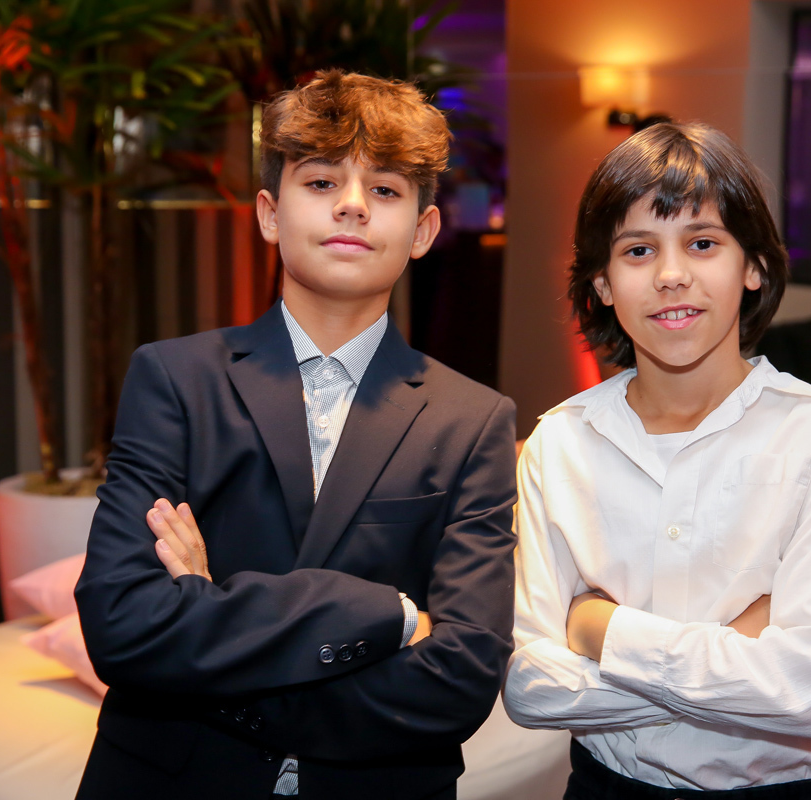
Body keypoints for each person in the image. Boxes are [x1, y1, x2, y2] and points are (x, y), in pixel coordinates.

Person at [74, 69, 518, 800]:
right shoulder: (175, 379)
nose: (352, 205)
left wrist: (207, 617)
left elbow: (460, 680)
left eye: (385, 190)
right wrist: (386, 614)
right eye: (320, 182)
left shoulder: (474, 420)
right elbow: (123, 625)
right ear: (270, 213)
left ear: (423, 231)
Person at [502, 122, 811, 799]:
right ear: (603, 283)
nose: (672, 275)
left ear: (753, 266)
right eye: (638, 250)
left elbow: (809, 697)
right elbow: (530, 689)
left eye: (702, 243)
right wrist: (736, 656)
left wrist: (600, 629)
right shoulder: (559, 444)